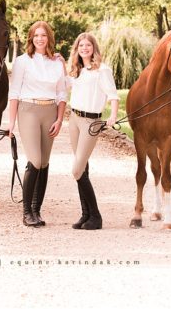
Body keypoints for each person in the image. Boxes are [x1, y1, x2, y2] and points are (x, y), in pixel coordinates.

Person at [6, 21, 67, 227]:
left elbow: (61, 94)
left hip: (50, 111)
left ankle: (36, 211)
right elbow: (14, 92)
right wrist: (11, 123)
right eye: (36, 35)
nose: (40, 39)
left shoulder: (58, 63)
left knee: (45, 163)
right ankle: (26, 212)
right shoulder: (22, 61)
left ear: (49, 38)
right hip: (28, 110)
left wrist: (59, 119)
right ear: (31, 38)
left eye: (43, 35)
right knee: (35, 160)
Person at [65, 32, 118, 230]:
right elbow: (63, 86)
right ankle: (85, 215)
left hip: (90, 122)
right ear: (77, 49)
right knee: (83, 169)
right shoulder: (76, 70)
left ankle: (96, 216)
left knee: (76, 169)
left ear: (93, 48)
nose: (84, 48)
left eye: (88, 45)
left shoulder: (102, 70)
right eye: (81, 46)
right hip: (74, 120)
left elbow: (113, 96)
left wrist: (112, 116)